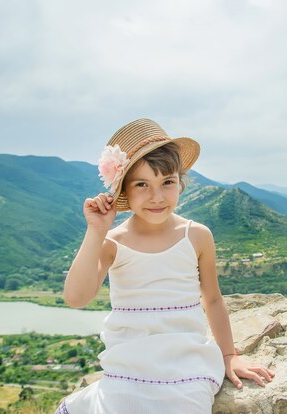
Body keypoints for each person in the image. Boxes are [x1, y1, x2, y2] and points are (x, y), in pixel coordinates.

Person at [57, 119, 275, 413]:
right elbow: (76, 297)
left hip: (186, 360)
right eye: (142, 184)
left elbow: (212, 298)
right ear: (124, 190)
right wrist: (95, 231)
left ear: (180, 182)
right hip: (130, 362)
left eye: (167, 182)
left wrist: (228, 355)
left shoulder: (196, 235)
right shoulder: (113, 242)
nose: (157, 197)